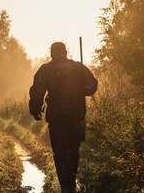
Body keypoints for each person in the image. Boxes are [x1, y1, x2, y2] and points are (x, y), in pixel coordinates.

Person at [29, 42, 98, 193]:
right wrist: (80, 86)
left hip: (57, 118)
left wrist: (35, 109)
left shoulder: (46, 69)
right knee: (73, 150)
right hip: (76, 116)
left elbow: (37, 91)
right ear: (65, 52)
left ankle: (65, 187)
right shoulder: (78, 67)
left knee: (59, 152)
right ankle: (71, 183)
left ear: (52, 53)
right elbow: (91, 87)